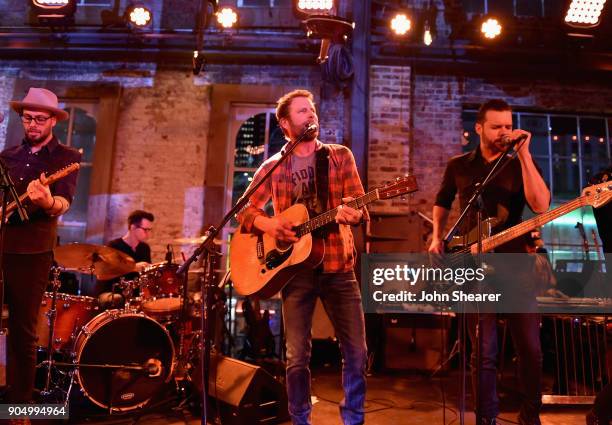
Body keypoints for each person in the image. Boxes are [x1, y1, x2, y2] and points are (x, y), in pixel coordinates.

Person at [236, 89, 368, 425]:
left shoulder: (339, 156)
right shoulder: (273, 166)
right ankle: (299, 420)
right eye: (301, 111)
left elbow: (359, 204)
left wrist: (352, 213)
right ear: (285, 122)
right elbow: (245, 211)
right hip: (295, 270)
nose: (311, 115)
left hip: (339, 266)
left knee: (356, 353)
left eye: (312, 109)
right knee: (296, 358)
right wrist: (272, 224)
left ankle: (353, 418)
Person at [429, 99, 550, 425]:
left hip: (516, 266)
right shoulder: (459, 165)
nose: (504, 133)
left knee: (530, 350)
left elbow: (541, 205)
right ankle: (486, 419)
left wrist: (524, 154)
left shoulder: (519, 163)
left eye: (508, 126)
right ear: (479, 128)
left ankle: (530, 418)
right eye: (497, 127)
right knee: (483, 353)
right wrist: (437, 235)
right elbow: (442, 201)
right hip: (474, 266)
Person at [1, 88, 81, 409]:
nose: (32, 124)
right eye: (28, 118)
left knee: (22, 328)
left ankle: (19, 403)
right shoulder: (7, 157)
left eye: (40, 119)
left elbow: (63, 201)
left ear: (52, 122)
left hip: (32, 251)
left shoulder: (67, 158)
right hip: (2, 243)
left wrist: (47, 201)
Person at [98, 210, 154, 308]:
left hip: (135, 295)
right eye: (145, 230)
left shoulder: (145, 248)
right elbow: (102, 275)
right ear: (133, 227)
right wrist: (132, 268)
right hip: (112, 292)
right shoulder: (114, 246)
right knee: (117, 299)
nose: (148, 234)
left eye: (150, 230)